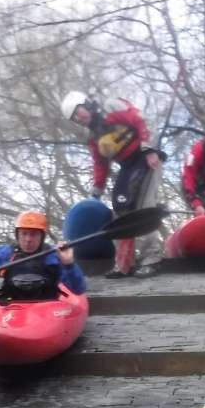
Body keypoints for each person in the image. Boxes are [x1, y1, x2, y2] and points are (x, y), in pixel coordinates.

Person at [61, 90, 164, 279]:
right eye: (74, 118)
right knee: (120, 207)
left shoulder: (111, 107)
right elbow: (100, 163)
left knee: (144, 206)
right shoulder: (93, 136)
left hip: (145, 157)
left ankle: (151, 258)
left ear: (86, 104)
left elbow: (141, 120)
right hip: (127, 166)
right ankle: (124, 264)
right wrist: (96, 191)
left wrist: (150, 149)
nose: (78, 118)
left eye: (78, 112)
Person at [0, 210, 86, 301]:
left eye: (33, 234)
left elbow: (78, 289)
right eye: (24, 234)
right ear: (17, 235)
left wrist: (68, 264)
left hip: (47, 308)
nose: (28, 239)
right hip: (12, 308)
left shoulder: (54, 255)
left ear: (42, 237)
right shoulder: (4, 253)